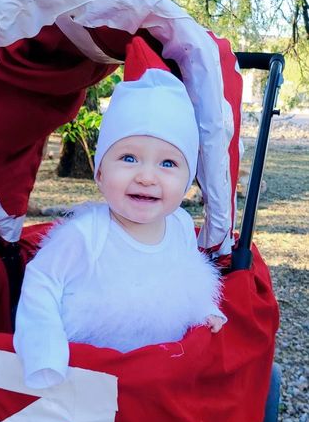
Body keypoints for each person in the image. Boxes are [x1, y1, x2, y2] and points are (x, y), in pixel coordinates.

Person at [14, 37, 226, 389]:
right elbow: (42, 283)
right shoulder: (87, 235)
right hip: (87, 374)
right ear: (99, 173)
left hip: (156, 371)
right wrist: (45, 352)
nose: (145, 176)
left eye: (168, 163)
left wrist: (204, 308)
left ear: (188, 182)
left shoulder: (179, 226)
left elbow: (187, 275)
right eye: (128, 158)